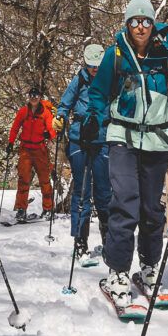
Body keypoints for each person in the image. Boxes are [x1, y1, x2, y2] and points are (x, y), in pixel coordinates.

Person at [90, 0, 168, 313]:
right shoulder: (115, 55)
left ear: (152, 24)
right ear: (127, 23)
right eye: (134, 21)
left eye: (145, 21)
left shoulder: (166, 55)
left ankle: (149, 268)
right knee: (125, 204)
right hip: (122, 136)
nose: (140, 27)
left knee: (151, 209)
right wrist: (97, 119)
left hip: (156, 140)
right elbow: (98, 92)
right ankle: (118, 272)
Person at [59, 43, 110, 263]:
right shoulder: (79, 80)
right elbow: (64, 105)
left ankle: (109, 238)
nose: (95, 69)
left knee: (104, 192)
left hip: (103, 139)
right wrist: (60, 118)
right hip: (79, 140)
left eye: (98, 66)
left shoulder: (110, 80)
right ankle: (80, 240)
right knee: (81, 191)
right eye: (91, 66)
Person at [7, 90, 59, 221]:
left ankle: (48, 209)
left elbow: (53, 129)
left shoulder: (45, 113)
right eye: (31, 96)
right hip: (25, 150)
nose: (33, 98)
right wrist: (10, 142)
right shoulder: (23, 111)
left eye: (36, 96)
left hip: (40, 150)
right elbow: (15, 127)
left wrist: (49, 134)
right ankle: (21, 209)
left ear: (40, 97)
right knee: (23, 180)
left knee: (44, 180)